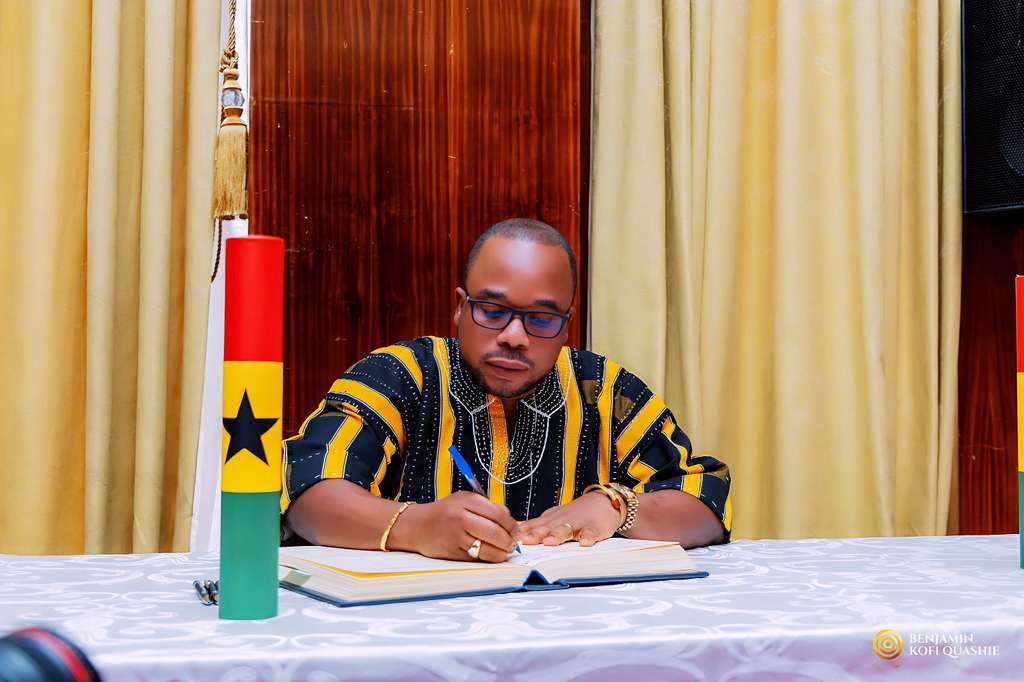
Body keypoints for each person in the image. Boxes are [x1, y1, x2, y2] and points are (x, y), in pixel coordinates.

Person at [282, 218, 731, 563]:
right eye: (493, 311)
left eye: (541, 319)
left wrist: (616, 506)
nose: (514, 336)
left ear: (566, 327)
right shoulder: (401, 375)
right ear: (460, 308)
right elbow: (308, 490)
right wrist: (415, 526)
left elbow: (706, 503)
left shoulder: (604, 391)